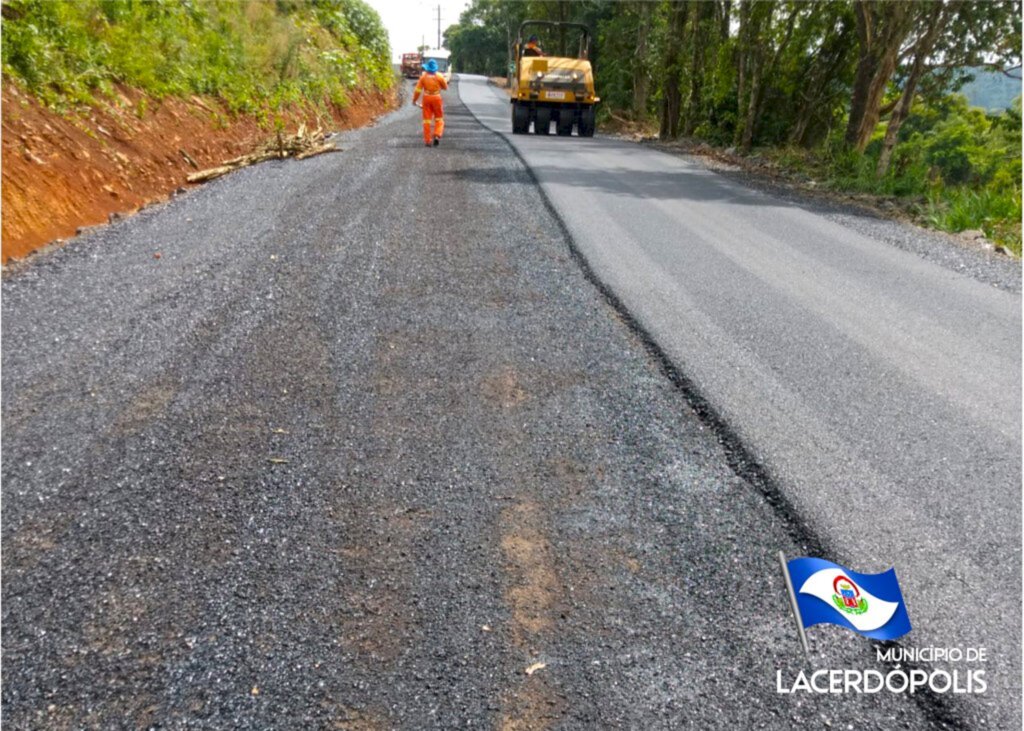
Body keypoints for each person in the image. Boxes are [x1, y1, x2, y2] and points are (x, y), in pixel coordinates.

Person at [412, 58, 448, 147]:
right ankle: (437, 135)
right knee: (439, 119)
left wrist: (414, 100)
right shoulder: (439, 76)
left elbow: (418, 90)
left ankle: (428, 141)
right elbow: (445, 87)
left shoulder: (423, 77)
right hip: (437, 98)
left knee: (427, 120)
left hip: (427, 98)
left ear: (427, 68)